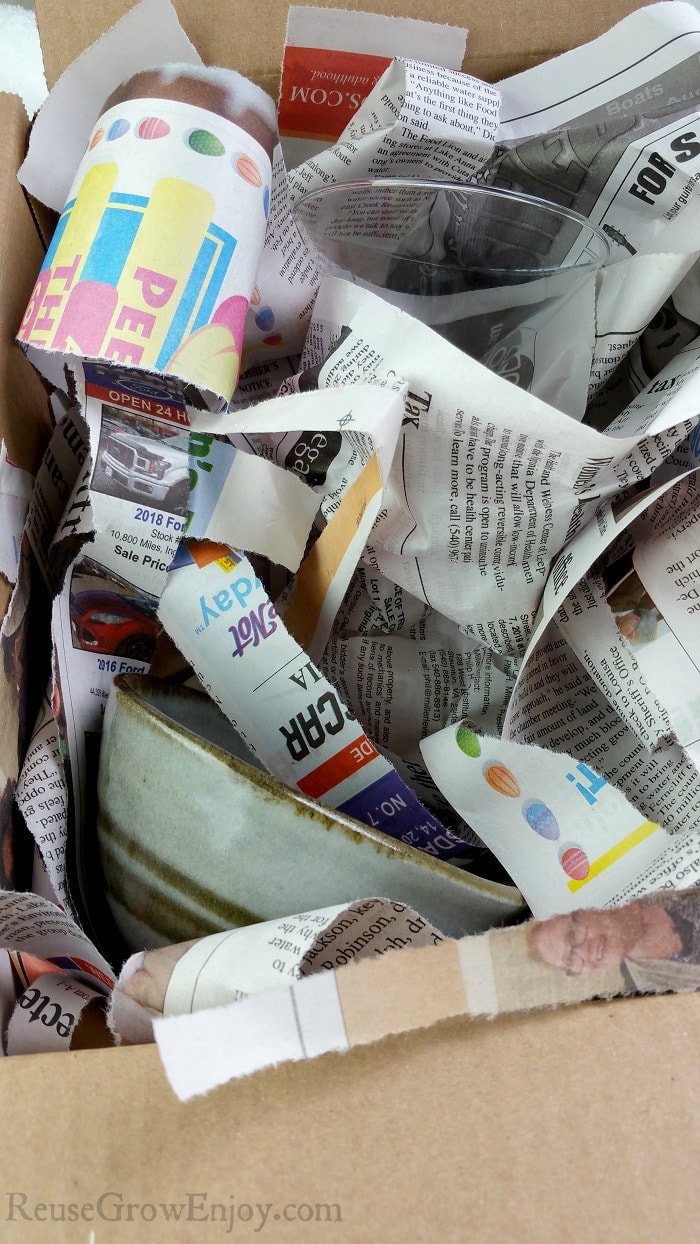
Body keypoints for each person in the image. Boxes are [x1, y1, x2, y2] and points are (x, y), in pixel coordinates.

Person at [528, 888, 700, 992]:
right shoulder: (645, 993)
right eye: (570, 961)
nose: (581, 951)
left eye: (573, 934)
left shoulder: (658, 882)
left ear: (586, 907)